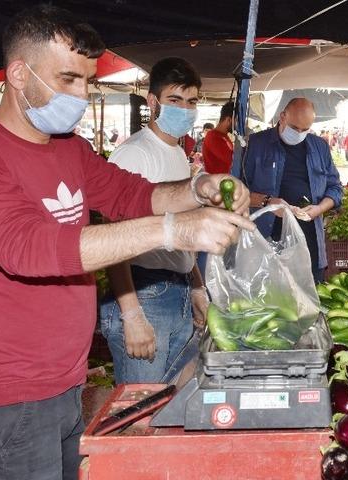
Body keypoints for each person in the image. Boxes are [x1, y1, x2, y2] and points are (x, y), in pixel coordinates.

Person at [0, 6, 253, 478]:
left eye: (87, 81)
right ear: (19, 74)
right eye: (68, 80)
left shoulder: (69, 147)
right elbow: (31, 248)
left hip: (65, 386)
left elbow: (132, 194)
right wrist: (174, 230)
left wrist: (195, 190)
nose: (81, 95)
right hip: (5, 405)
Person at [99, 57, 209, 384]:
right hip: (142, 291)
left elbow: (182, 228)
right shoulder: (134, 154)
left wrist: (197, 286)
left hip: (175, 290)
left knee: (170, 402)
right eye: (175, 100)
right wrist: (131, 315)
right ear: (153, 102)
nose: (185, 109)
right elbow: (113, 239)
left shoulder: (177, 153)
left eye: (191, 102)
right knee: (140, 409)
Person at [233, 98, 343, 283]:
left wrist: (319, 209)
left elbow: (335, 188)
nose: (299, 133)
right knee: (269, 293)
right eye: (294, 127)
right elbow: (236, 191)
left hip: (309, 236)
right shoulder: (256, 144)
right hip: (265, 236)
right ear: (282, 116)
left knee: (308, 292)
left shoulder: (319, 146)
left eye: (305, 129)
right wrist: (267, 202)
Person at [202, 102, 235, 174]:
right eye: (237, 121)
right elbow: (234, 161)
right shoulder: (213, 137)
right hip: (217, 183)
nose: (238, 125)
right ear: (229, 120)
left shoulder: (224, 136)